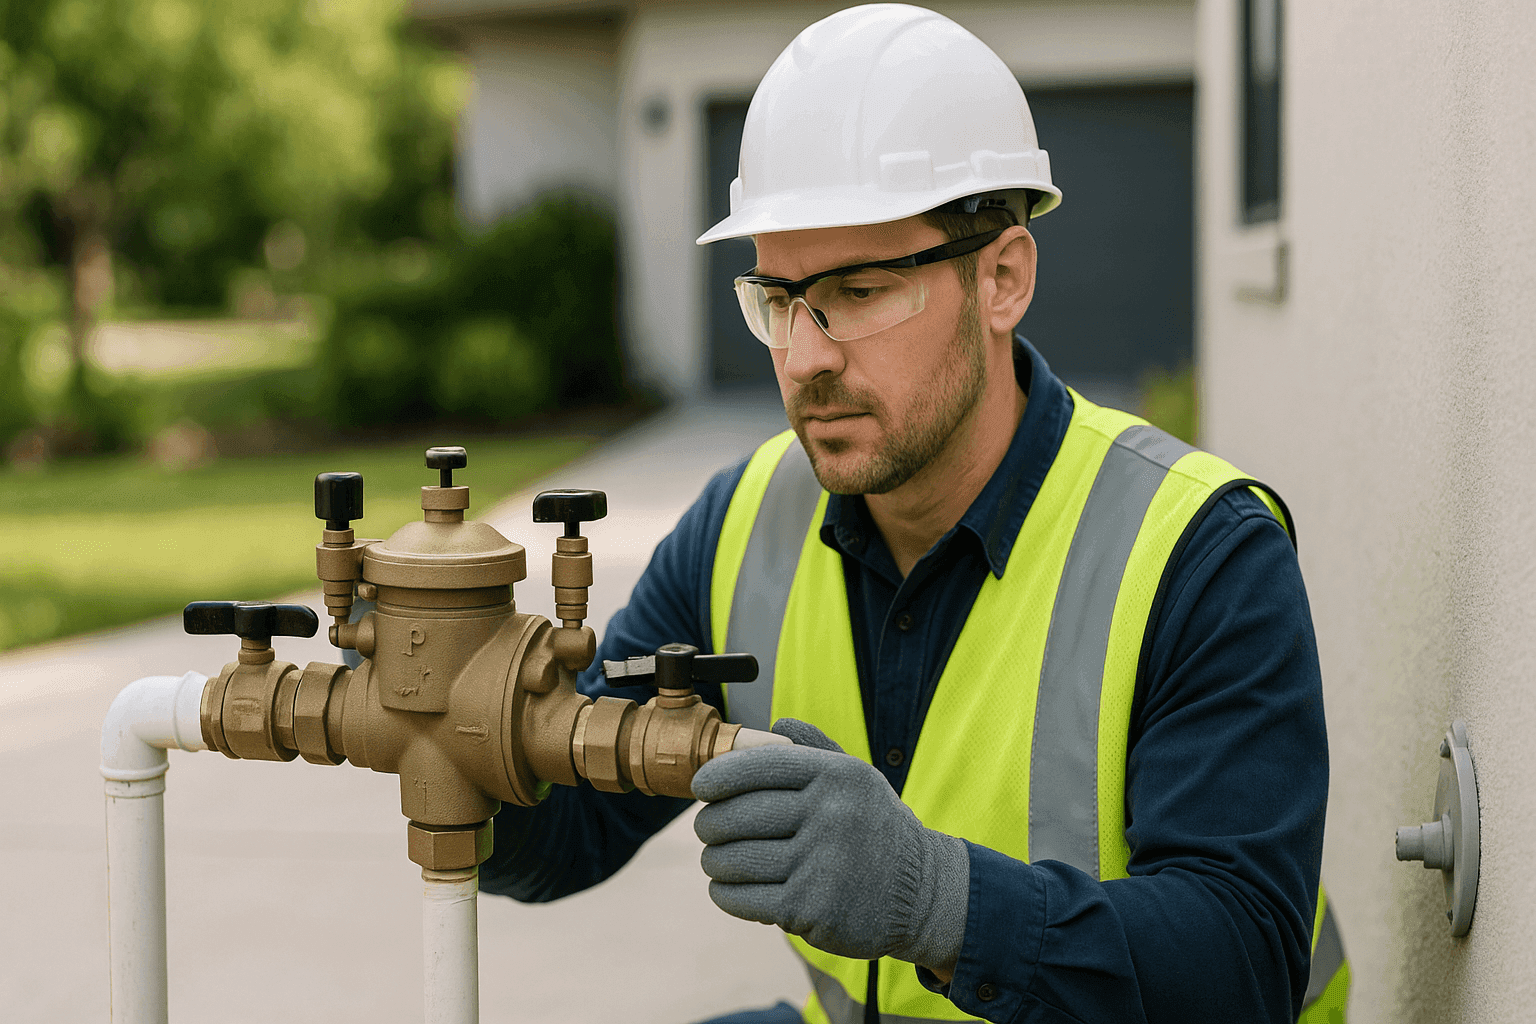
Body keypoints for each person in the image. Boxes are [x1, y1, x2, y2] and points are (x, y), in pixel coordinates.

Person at [480, 5, 1348, 1023]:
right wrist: (461, 733)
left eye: (858, 289)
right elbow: (569, 829)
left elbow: (1242, 969)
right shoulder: (744, 521)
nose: (805, 356)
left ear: (1003, 277)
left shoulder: (1199, 553)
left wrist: (940, 899)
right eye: (777, 299)